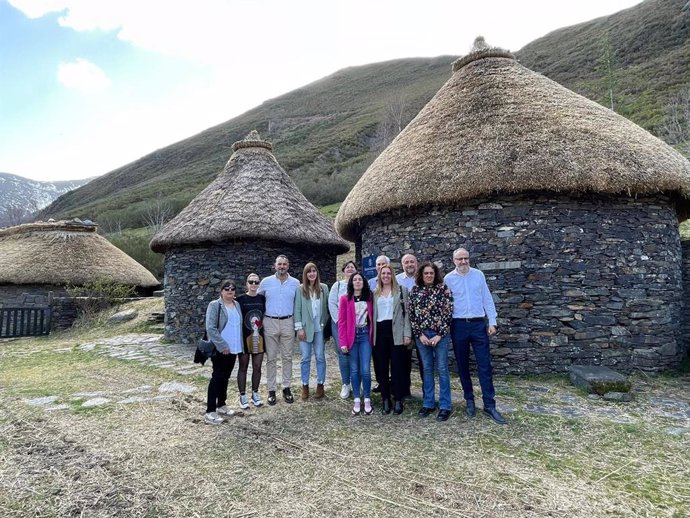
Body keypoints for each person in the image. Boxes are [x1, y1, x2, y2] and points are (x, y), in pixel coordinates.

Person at [444, 248, 506, 425]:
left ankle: (489, 405)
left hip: (478, 324)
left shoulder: (478, 275)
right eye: (460, 259)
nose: (463, 261)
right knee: (462, 364)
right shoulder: (448, 279)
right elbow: (446, 304)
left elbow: (487, 298)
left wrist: (492, 321)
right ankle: (469, 400)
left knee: (484, 364)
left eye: (466, 258)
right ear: (454, 260)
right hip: (458, 325)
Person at [409, 262, 454, 422]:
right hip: (422, 336)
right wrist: (419, 334)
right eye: (426, 273)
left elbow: (448, 313)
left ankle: (445, 406)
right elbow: (412, 314)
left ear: (435, 275)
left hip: (439, 335)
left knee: (442, 369)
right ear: (421, 275)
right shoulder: (415, 291)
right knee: (427, 369)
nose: (429, 275)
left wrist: (439, 335)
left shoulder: (443, 289)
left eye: (431, 273)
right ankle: (428, 403)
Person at [258, 255, 300, 406]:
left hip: (288, 321)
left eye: (284, 264)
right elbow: (258, 300)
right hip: (270, 321)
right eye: (279, 264)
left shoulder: (295, 283)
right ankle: (271, 390)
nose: (282, 266)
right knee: (271, 358)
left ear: (288, 266)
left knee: (288, 357)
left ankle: (286, 388)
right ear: (274, 265)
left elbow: (298, 303)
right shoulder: (266, 282)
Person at [372, 264, 411, 415]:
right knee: (381, 366)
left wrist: (407, 333)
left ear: (392, 275)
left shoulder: (401, 291)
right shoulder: (374, 293)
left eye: (389, 273)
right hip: (380, 332)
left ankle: (398, 398)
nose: (386, 276)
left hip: (397, 331)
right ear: (380, 276)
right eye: (383, 273)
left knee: (397, 367)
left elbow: (407, 314)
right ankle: (385, 398)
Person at [204, 280, 243, 425]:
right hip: (221, 348)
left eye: (232, 288)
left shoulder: (236, 304)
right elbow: (211, 328)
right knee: (217, 377)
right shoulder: (215, 305)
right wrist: (222, 345)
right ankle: (210, 411)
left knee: (226, 377)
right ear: (221, 291)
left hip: (233, 348)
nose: (230, 291)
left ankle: (221, 404)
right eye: (226, 289)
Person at [338, 272, 374, 416]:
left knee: (365, 370)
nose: (357, 281)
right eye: (355, 280)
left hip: (365, 335)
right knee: (354, 370)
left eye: (360, 279)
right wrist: (343, 342)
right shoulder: (345, 299)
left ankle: (367, 399)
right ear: (351, 283)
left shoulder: (370, 298)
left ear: (363, 282)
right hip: (352, 337)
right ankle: (357, 399)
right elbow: (342, 322)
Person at [294, 262, 329, 400]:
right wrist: (299, 328)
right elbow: (297, 309)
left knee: (320, 356)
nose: (312, 273)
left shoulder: (324, 288)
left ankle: (320, 384)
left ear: (317, 273)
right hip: (305, 329)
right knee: (305, 358)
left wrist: (324, 324)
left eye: (314, 271)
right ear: (305, 274)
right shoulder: (300, 289)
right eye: (309, 271)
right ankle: (305, 385)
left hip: (319, 328)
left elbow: (327, 308)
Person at [395, 253, 423, 398]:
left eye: (412, 261)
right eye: (406, 262)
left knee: (424, 360)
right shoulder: (397, 280)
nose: (409, 264)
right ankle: (405, 391)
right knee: (404, 360)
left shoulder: (423, 278)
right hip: (403, 325)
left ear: (416, 263)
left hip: (422, 325)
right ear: (402, 264)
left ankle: (427, 392)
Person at [236, 273, 266, 409]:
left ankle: (255, 393)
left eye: (256, 282)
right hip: (244, 336)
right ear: (246, 284)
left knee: (257, 366)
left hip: (258, 336)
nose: (254, 284)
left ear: (259, 284)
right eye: (251, 282)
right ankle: (242, 395)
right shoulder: (240, 300)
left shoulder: (262, 299)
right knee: (243, 367)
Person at [328, 260, 357, 399]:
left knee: (355, 352)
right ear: (343, 270)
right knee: (343, 352)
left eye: (352, 267)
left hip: (356, 324)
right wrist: (339, 321)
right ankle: (346, 383)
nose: (350, 269)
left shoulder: (359, 284)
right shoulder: (337, 285)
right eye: (347, 267)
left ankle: (356, 382)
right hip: (339, 323)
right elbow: (332, 303)